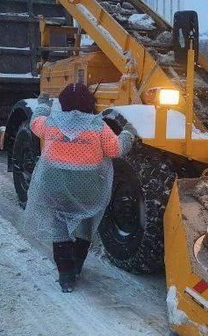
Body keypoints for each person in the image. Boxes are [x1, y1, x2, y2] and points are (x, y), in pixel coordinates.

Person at [25, 83, 135, 292]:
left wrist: (42, 104)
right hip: (87, 189)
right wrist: (129, 133)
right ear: (89, 103)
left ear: (63, 103)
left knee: (60, 231)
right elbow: (116, 149)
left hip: (54, 187)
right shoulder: (98, 127)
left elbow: (34, 123)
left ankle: (66, 276)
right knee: (85, 227)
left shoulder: (51, 123)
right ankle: (76, 265)